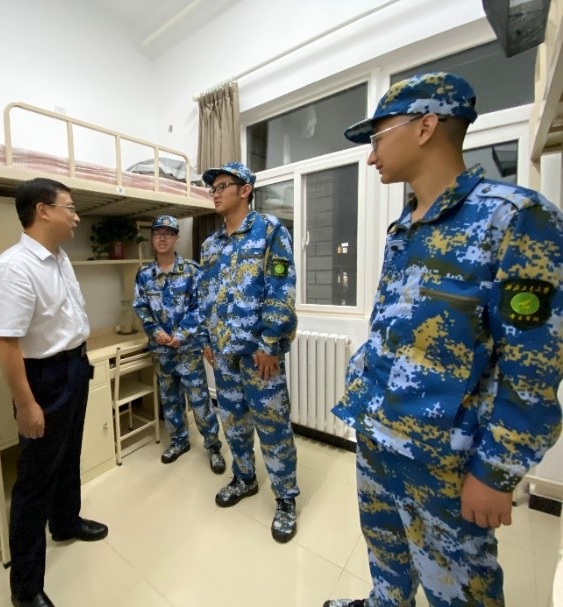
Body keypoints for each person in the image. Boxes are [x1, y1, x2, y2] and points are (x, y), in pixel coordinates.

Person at [324, 72, 563, 607]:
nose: (371, 156)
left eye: (377, 138)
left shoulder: (514, 219)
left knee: (457, 591)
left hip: (444, 463)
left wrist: (495, 472)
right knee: (387, 558)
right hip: (379, 436)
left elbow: (535, 366)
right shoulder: (406, 227)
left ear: (426, 126)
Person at [0, 177, 108, 607]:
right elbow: (7, 344)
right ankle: (25, 589)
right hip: (44, 377)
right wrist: (26, 404)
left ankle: (66, 522)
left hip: (73, 365)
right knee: (35, 480)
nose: (76, 215)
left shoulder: (58, 258)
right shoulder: (14, 268)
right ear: (43, 210)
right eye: (69, 207)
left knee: (68, 454)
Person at [198, 162, 300, 543]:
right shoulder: (210, 245)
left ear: (245, 190)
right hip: (224, 353)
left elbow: (281, 288)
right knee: (234, 422)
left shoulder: (270, 231)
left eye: (222, 186)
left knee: (273, 427)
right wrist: (207, 338)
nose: (215, 193)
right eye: (212, 188)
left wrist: (270, 343)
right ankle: (244, 478)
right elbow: (206, 295)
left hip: (260, 356)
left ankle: (286, 498)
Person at [132, 214, 226, 473]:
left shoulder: (192, 271)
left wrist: (182, 334)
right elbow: (140, 306)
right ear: (152, 238)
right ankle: (179, 441)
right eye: (157, 233)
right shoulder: (144, 275)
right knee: (170, 398)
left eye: (167, 233)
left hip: (187, 350)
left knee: (199, 400)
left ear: (176, 238)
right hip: (161, 351)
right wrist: (154, 331)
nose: (161, 238)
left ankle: (213, 446)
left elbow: (200, 307)